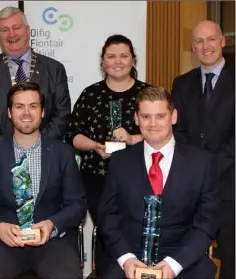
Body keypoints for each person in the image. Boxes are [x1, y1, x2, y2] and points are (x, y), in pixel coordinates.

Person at [98, 86, 220, 279]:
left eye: (160, 116)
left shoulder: (202, 163)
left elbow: (208, 222)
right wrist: (127, 258)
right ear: (137, 119)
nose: (153, 124)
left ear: (173, 117)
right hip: (131, 259)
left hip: (183, 259)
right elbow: (108, 217)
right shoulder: (119, 161)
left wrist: (174, 264)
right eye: (146, 117)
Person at [0, 82, 87, 279]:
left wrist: (52, 224)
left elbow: (77, 204)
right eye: (19, 106)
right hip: (6, 242)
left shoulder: (62, 152)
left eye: (33, 106)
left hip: (52, 243)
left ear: (42, 112)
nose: (26, 113)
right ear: (9, 112)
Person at [65, 34, 149, 274]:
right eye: (111, 56)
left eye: (124, 56)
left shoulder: (148, 94)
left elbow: (163, 134)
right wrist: (94, 146)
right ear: (102, 62)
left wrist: (133, 139)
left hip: (140, 179)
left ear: (133, 60)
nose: (118, 61)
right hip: (97, 179)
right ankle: (104, 272)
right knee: (106, 229)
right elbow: (73, 134)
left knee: (134, 229)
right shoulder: (90, 94)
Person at [171, 20, 235, 279]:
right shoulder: (181, 83)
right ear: (192, 47)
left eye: (211, 39)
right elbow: (178, 130)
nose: (205, 45)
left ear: (222, 41)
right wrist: (196, 167)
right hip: (192, 185)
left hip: (231, 184)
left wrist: (210, 166)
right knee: (189, 255)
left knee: (231, 257)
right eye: (199, 41)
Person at [0, 6, 71, 148]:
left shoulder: (54, 69)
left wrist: (37, 147)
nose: (11, 34)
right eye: (4, 30)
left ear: (28, 30)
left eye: (16, 27)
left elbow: (62, 115)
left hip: (45, 156)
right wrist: (5, 150)